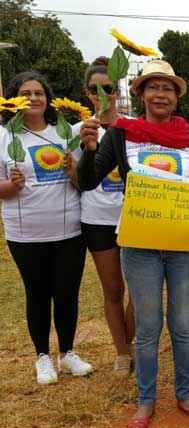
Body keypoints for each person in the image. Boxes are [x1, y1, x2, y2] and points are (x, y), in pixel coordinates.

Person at [77, 59, 189, 428]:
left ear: (176, 97)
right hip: (139, 244)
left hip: (183, 247)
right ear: (140, 94)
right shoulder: (121, 134)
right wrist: (90, 149)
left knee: (182, 325)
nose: (161, 94)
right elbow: (89, 181)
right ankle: (145, 401)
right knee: (147, 326)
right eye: (153, 87)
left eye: (168, 88)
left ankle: (186, 395)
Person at [0, 71, 92, 385]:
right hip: (25, 233)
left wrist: (73, 171)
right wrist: (9, 187)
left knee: (67, 294)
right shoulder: (4, 137)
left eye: (39, 92)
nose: (34, 98)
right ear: (14, 99)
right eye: (26, 93)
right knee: (37, 294)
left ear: (48, 98)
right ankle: (42, 356)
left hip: (69, 230)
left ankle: (67, 353)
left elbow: (84, 181)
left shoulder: (65, 133)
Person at [71, 57, 135, 376]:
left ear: (116, 90)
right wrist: (86, 149)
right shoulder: (76, 132)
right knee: (113, 290)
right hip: (97, 220)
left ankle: (131, 342)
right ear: (87, 93)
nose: (103, 94)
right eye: (96, 89)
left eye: (108, 88)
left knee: (139, 290)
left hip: (136, 219)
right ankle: (122, 353)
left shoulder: (133, 127)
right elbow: (74, 182)